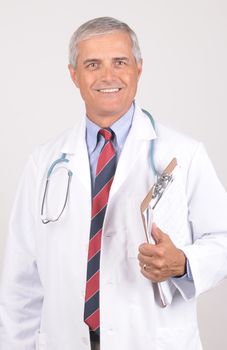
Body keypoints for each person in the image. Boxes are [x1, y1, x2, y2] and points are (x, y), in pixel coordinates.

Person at [0, 16, 227, 350]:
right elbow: (22, 278)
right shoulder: (44, 162)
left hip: (152, 340)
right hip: (65, 340)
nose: (108, 76)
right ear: (73, 75)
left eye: (119, 62)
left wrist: (184, 263)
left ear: (138, 67)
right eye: (92, 64)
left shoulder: (184, 154)